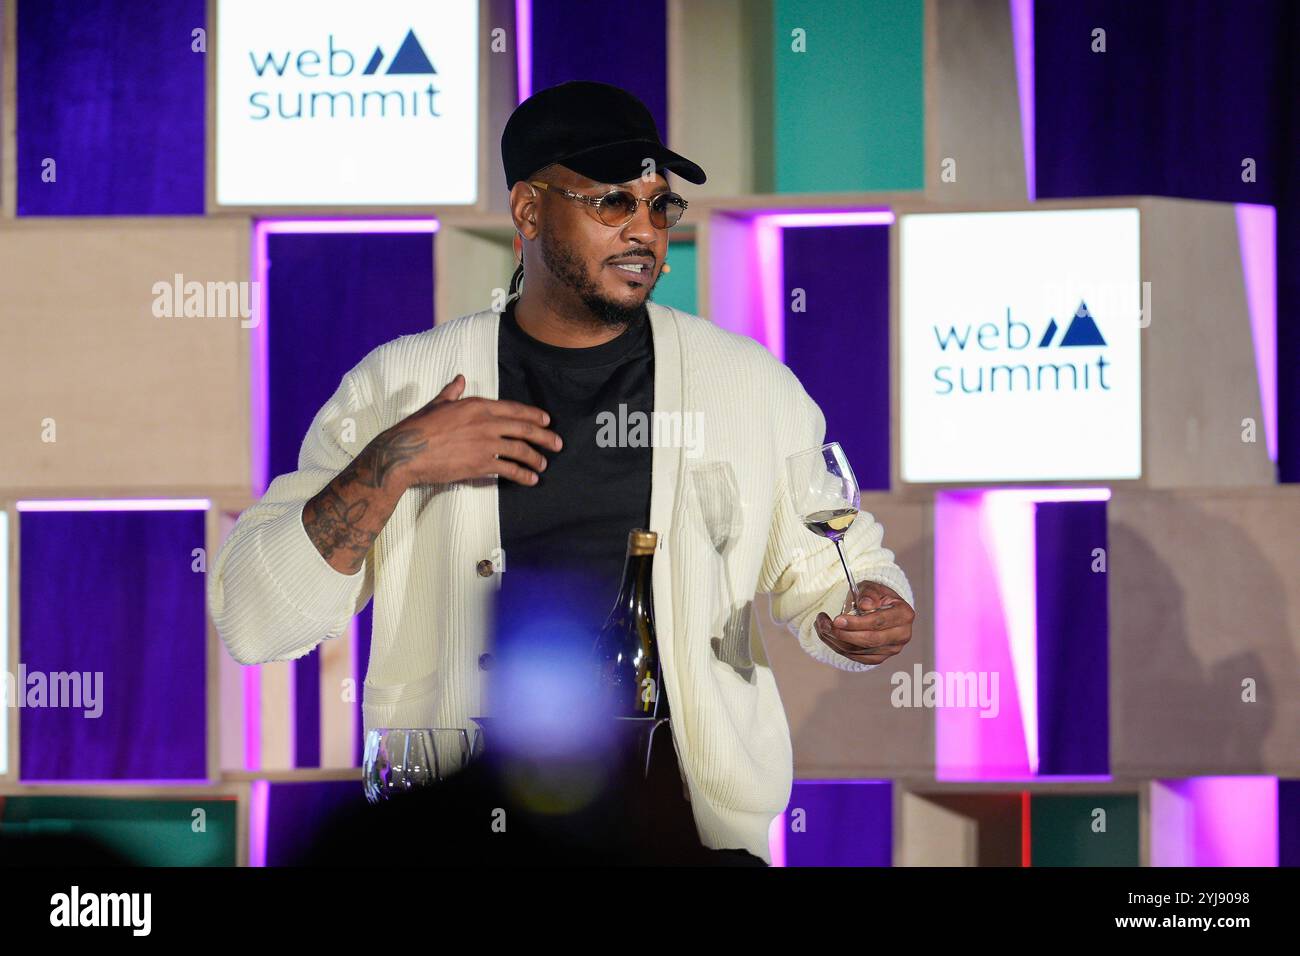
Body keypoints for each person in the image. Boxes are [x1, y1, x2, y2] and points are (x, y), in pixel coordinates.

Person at [208, 80, 916, 865]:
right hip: (455, 830)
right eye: (613, 203)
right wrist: (394, 462)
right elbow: (254, 618)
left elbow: (831, 574)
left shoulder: (746, 384)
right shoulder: (403, 384)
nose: (645, 231)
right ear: (529, 211)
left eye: (659, 207)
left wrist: (864, 613)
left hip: (684, 830)